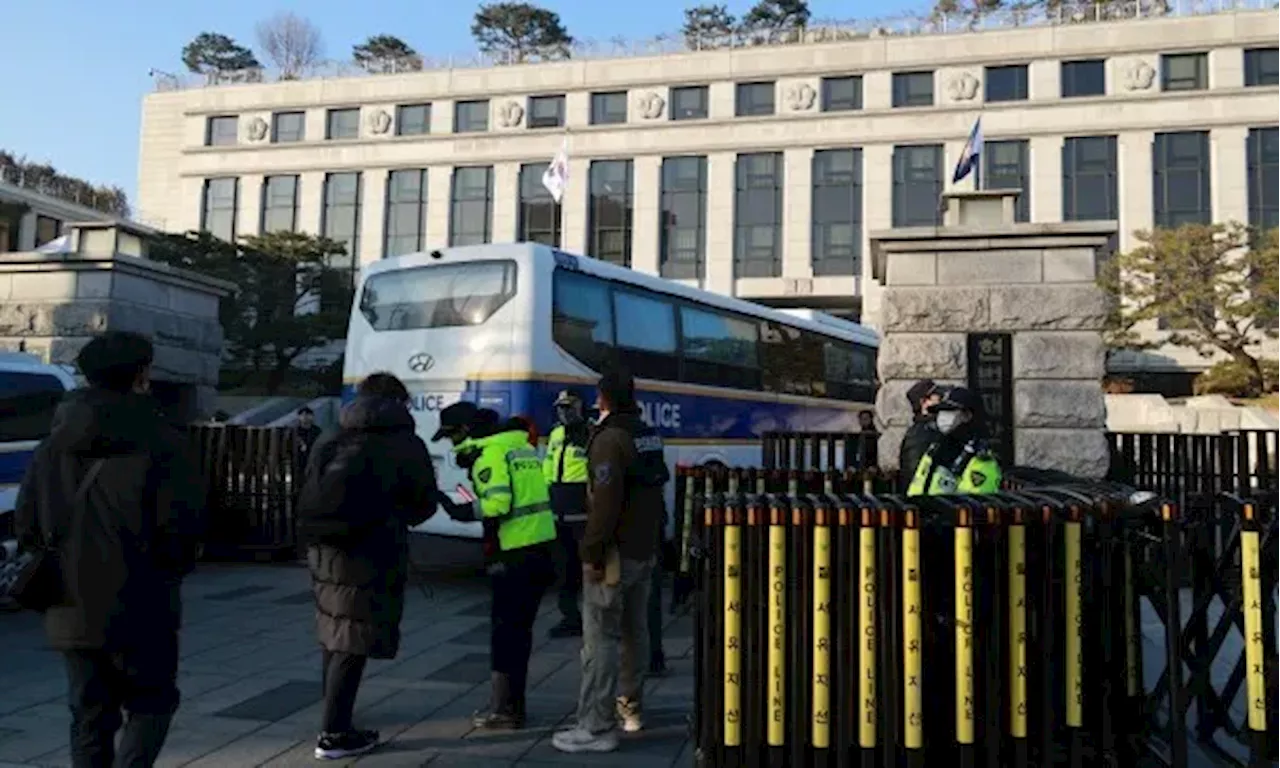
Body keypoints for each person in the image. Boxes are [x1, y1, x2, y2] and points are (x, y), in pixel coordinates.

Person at [14, 331, 206, 768]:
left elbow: (27, 524)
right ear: (141, 375)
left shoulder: (52, 446)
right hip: (144, 601)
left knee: (88, 712)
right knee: (152, 702)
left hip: (70, 601)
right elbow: (184, 528)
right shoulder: (164, 443)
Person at [296, 372, 439, 760]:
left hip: (324, 550)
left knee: (335, 630)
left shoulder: (331, 436)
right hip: (372, 552)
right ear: (398, 402)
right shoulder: (404, 443)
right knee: (352, 640)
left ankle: (335, 715)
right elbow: (423, 505)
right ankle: (334, 734)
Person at [553, 366, 669, 754]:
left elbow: (604, 504)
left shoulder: (608, 440)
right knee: (636, 633)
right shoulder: (647, 434)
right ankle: (630, 710)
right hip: (644, 549)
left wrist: (591, 552)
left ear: (602, 399)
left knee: (600, 639)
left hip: (615, 553)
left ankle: (596, 726)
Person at [433, 401, 557, 730]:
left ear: (464, 431)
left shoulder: (489, 455)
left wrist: (462, 511)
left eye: (450, 437)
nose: (451, 445)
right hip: (541, 548)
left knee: (505, 634)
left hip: (512, 554)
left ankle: (505, 710)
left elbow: (499, 504)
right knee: (521, 632)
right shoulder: (519, 446)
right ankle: (512, 705)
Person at [544, 390, 590, 638]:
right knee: (564, 568)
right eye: (561, 407)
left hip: (581, 507)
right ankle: (570, 617)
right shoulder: (556, 434)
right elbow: (548, 467)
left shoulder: (590, 434)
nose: (564, 412)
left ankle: (594, 617)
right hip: (558, 507)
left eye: (569, 407)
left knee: (589, 567)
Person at [905, 386, 1002, 496]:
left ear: (967, 415)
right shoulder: (936, 448)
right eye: (941, 411)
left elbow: (972, 505)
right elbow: (916, 488)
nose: (942, 417)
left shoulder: (979, 459)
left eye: (949, 411)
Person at [898, 379, 942, 488]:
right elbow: (915, 472)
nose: (941, 398)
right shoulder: (919, 433)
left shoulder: (935, 427)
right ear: (924, 402)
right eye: (936, 396)